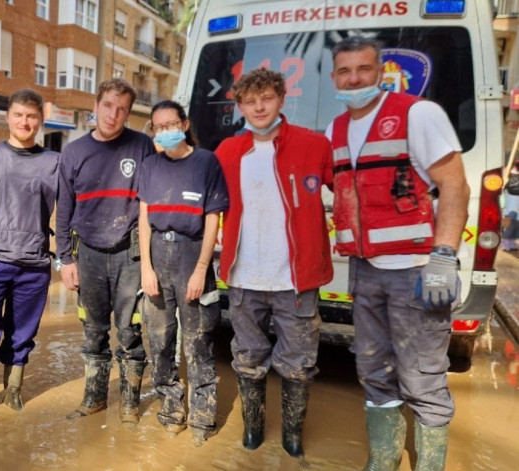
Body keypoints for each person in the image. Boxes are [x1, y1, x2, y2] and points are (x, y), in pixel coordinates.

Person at [328, 36, 470, 471]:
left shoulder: (416, 113)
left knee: (423, 377)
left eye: (363, 70)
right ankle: (384, 460)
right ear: (335, 77)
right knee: (373, 369)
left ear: (380, 71)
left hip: (415, 271)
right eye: (345, 71)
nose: (354, 79)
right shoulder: (336, 128)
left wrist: (444, 257)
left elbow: (454, 185)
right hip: (365, 270)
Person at [214, 68, 334, 457]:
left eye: (266, 98)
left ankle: (292, 436)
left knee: (299, 364)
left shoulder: (314, 145)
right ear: (241, 107)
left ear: (282, 99)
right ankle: (253, 429)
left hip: (296, 280)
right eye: (251, 101)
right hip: (244, 277)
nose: (259, 106)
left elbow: (348, 191)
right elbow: (206, 207)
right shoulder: (228, 152)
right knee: (247, 359)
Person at [56, 78, 156, 424]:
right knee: (93, 331)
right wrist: (64, 259)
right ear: (96, 105)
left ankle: (129, 404)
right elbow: (64, 209)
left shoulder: (142, 145)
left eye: (123, 109)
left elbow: (153, 200)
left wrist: (151, 262)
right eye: (109, 106)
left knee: (130, 329)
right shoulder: (73, 151)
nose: (114, 115)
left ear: (128, 113)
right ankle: (94, 399)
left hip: (130, 253)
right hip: (88, 254)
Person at [0, 89, 59, 423]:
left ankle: (14, 390)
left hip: (34, 263)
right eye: (18, 114)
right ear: (8, 117)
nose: (24, 122)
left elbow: (74, 206)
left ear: (40, 121)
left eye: (31, 116)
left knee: (22, 333)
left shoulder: (54, 163)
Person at [138, 100, 228, 444]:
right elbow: (144, 220)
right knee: (160, 342)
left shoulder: (206, 162)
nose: (164, 132)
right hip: (158, 255)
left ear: (185, 124)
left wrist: (201, 269)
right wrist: (147, 268)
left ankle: (203, 420)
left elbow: (212, 219)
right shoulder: (149, 166)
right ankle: (171, 408)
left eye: (170, 124)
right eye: (157, 127)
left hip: (193, 256)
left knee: (199, 342)